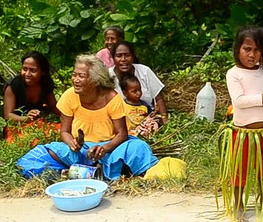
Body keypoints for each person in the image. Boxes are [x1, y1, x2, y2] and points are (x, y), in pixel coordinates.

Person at [16, 55, 158, 180]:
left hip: (109, 150)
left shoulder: (112, 98)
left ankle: (86, 171)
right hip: (80, 151)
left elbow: (122, 134)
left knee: (138, 147)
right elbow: (64, 131)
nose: (75, 80)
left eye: (81, 76)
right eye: (74, 75)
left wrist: (105, 148)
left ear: (96, 81)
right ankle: (81, 172)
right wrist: (72, 143)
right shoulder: (70, 95)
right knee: (33, 158)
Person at [220, 26, 263, 222]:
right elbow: (238, 101)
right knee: (240, 172)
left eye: (256, 50)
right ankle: (238, 205)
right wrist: (262, 98)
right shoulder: (233, 74)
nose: (252, 54)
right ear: (237, 49)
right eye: (247, 49)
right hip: (243, 134)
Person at [2, 51, 61, 143]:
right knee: (33, 141)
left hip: (39, 124)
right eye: (25, 69)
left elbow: (53, 106)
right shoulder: (14, 85)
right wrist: (26, 118)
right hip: (17, 127)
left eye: (33, 70)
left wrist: (70, 116)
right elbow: (8, 116)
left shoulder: (45, 84)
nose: (27, 74)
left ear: (43, 72)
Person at [109, 41, 168, 124]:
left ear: (133, 57)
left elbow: (159, 98)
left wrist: (165, 119)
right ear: (113, 58)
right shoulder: (108, 76)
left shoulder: (144, 71)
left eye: (127, 55)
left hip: (147, 119)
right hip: (119, 123)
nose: (123, 59)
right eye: (119, 56)